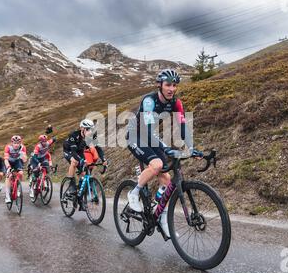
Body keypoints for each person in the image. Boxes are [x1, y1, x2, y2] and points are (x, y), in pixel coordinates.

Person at [125, 69, 202, 238]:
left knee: (166, 179)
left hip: (151, 136)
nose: (171, 89)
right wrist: (166, 147)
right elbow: (147, 129)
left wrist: (191, 148)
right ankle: (134, 192)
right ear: (159, 85)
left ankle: (160, 216)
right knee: (158, 164)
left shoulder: (176, 103)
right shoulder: (149, 101)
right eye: (168, 85)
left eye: (174, 85)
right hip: (136, 135)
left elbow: (182, 127)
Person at [62, 119, 107, 209]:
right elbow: (74, 153)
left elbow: (98, 148)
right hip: (69, 150)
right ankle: (71, 184)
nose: (90, 131)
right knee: (75, 162)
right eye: (88, 129)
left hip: (79, 151)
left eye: (91, 129)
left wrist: (103, 159)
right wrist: (81, 161)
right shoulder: (74, 135)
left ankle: (80, 196)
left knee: (85, 171)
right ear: (82, 129)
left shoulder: (91, 136)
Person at [29, 135, 56, 200]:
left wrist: (54, 138)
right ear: (40, 142)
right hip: (35, 159)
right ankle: (32, 189)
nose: (44, 143)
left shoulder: (48, 143)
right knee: (36, 172)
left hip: (42, 158)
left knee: (46, 168)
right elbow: (35, 157)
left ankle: (44, 180)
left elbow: (52, 140)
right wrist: (38, 164)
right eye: (42, 141)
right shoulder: (38, 147)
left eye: (45, 141)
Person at [3, 136, 27, 204]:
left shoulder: (22, 147)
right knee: (9, 176)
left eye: (18, 143)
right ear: (12, 143)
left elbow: (24, 160)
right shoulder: (8, 147)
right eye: (14, 143)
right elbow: (6, 160)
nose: (16, 144)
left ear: (20, 143)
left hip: (17, 161)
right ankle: (7, 196)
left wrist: (23, 156)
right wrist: (8, 167)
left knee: (21, 173)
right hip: (9, 162)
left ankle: (18, 187)